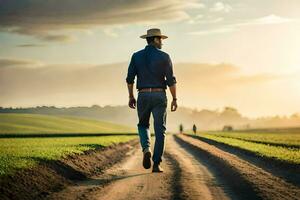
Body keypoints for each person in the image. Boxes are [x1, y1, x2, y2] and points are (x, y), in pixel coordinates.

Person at [126, 28, 177, 173]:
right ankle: (156, 164)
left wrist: (131, 96)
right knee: (160, 130)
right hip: (159, 95)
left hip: (142, 95)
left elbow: (130, 79)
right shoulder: (165, 57)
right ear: (155, 39)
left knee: (143, 125)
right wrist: (174, 98)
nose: (162, 42)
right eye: (160, 39)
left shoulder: (136, 56)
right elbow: (171, 81)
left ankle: (146, 148)